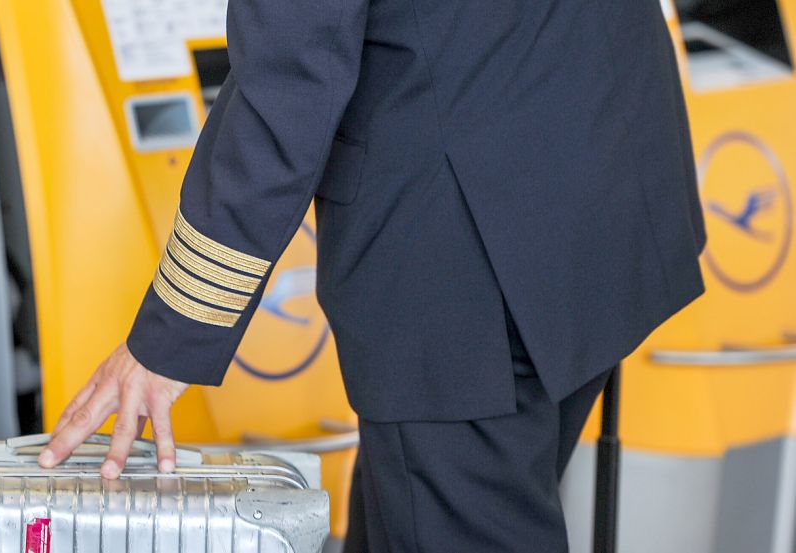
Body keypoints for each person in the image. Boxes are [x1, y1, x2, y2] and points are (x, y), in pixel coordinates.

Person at [38, 0, 707, 550]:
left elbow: (286, 88)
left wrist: (171, 332)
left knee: (447, 510)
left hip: (462, 262)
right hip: (602, 172)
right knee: (411, 512)